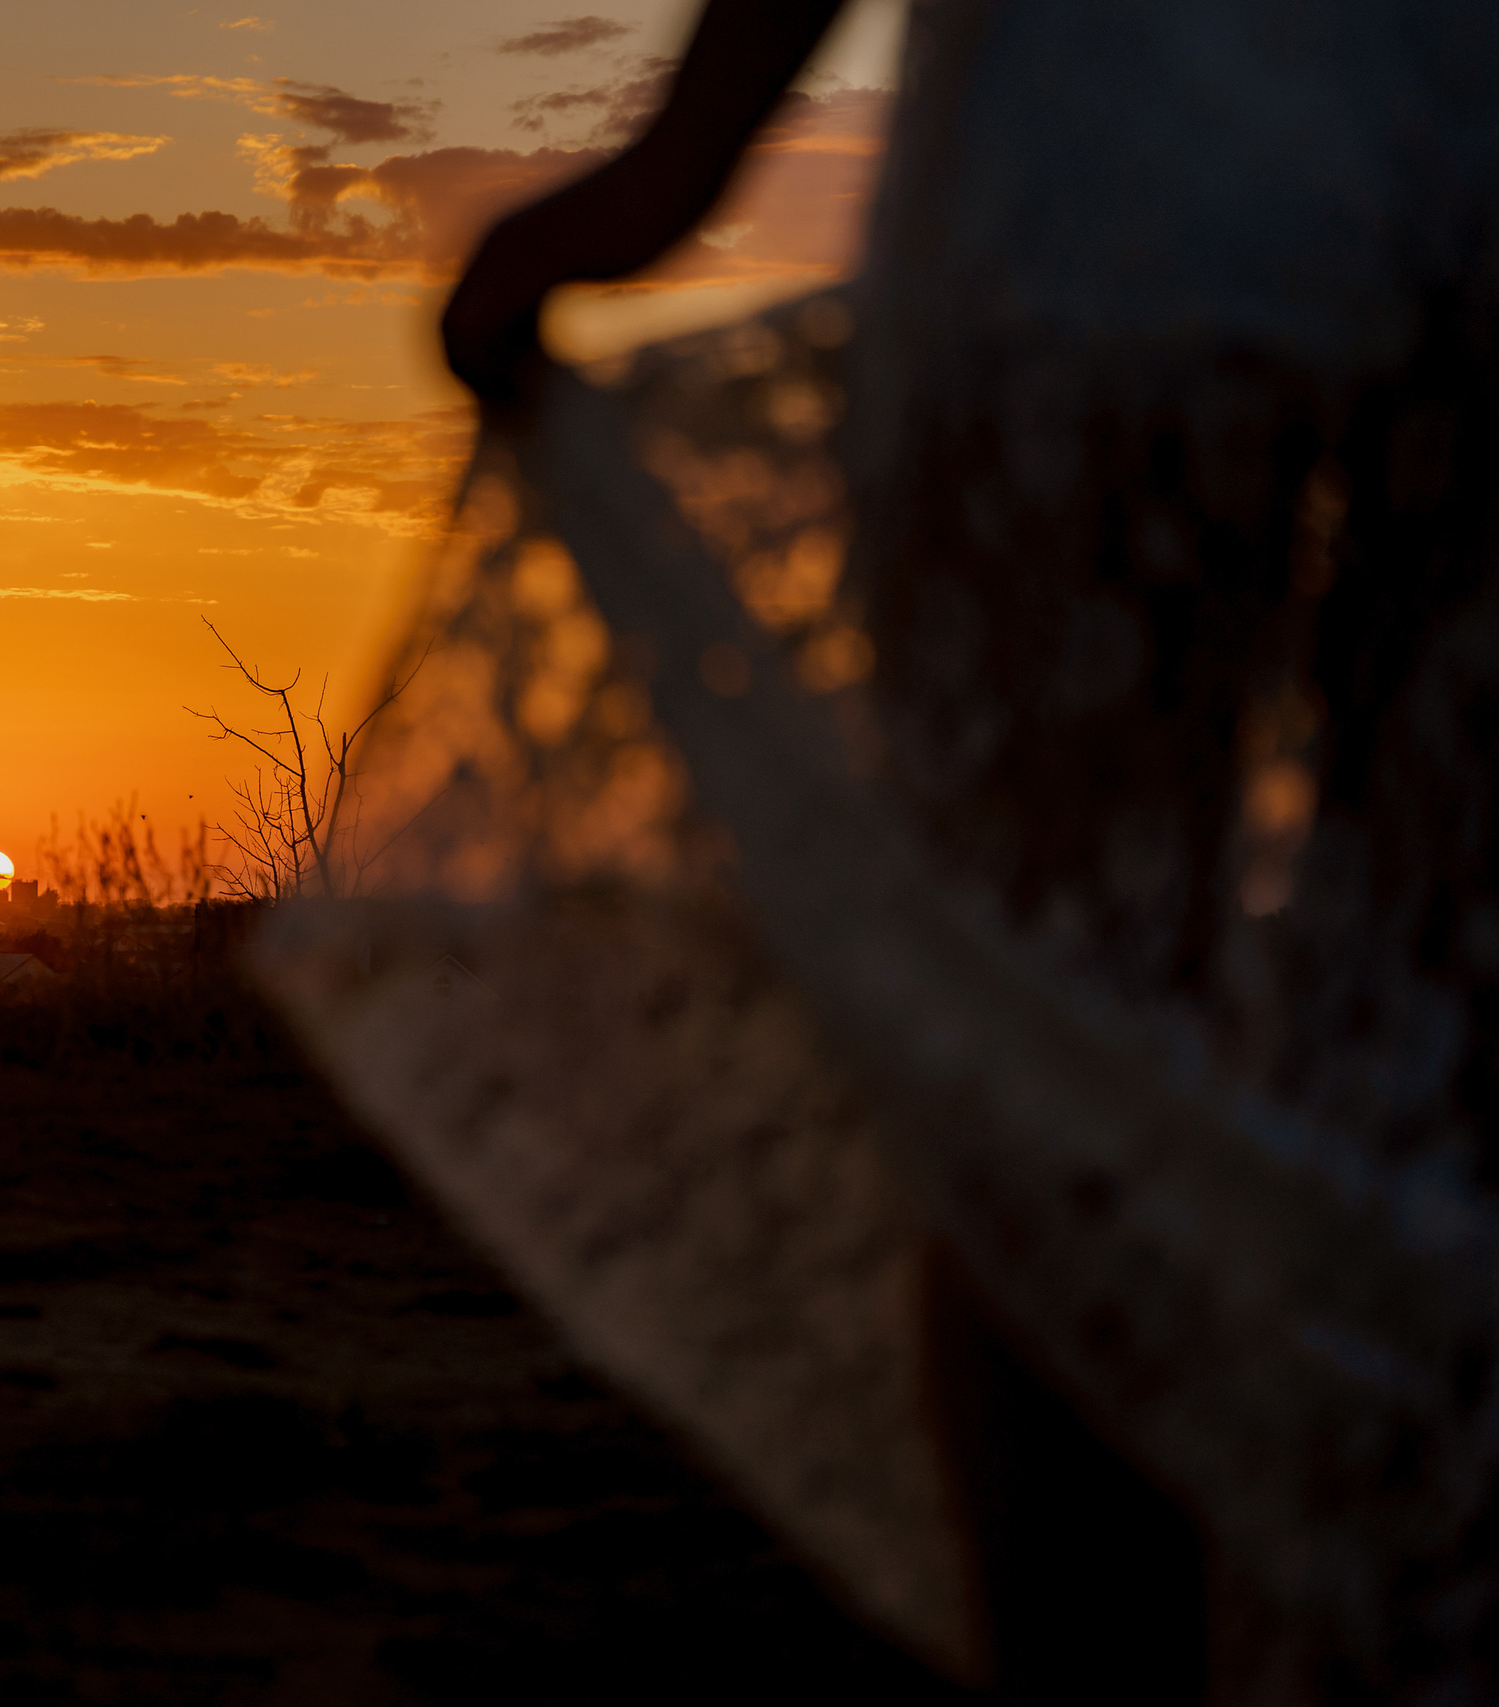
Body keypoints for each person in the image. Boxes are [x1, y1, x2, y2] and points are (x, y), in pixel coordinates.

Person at [439, 1, 1499, 1698]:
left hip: (1099, 203)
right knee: (1426, 1067)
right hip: (1458, 193)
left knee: (1048, 1051)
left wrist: (664, 177)